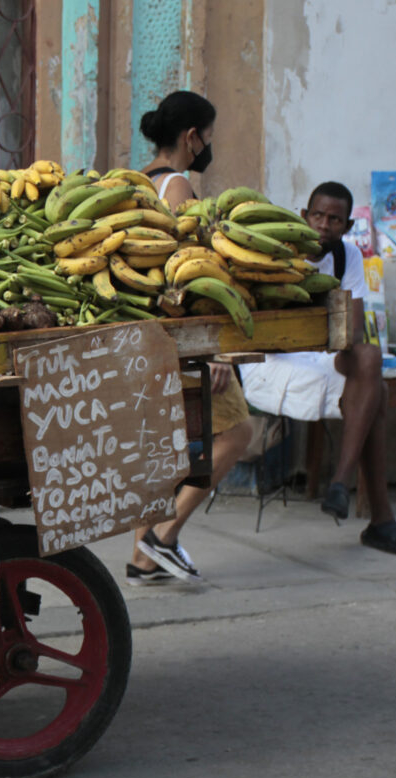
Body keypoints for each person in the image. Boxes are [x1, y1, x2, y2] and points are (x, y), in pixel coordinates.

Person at [238, 181, 396, 558]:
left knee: (369, 357)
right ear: (304, 215)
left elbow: (352, 332)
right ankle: (380, 520)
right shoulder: (276, 253)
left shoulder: (347, 257)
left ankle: (341, 482)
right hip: (273, 361)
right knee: (378, 393)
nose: (325, 225)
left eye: (335, 219)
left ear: (345, 226)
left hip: (324, 354)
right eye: (319, 215)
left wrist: (328, 337)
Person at [126, 90, 253, 585]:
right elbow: (187, 276)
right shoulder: (176, 186)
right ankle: (163, 535)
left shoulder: (139, 181)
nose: (209, 146)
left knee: (162, 454)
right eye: (209, 136)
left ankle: (141, 560)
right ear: (191, 136)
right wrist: (215, 347)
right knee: (238, 431)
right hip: (184, 339)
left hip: (147, 339)